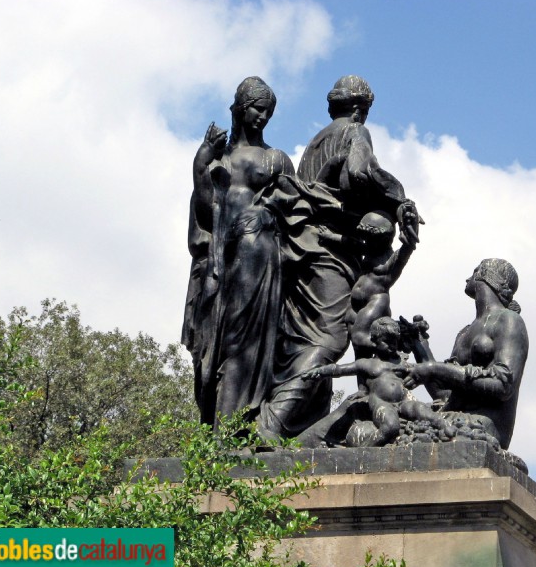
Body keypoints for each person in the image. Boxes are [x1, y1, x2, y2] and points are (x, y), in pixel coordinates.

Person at [259, 75, 422, 438]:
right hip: (329, 250)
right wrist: (397, 199)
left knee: (302, 339)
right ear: (359, 109)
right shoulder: (355, 133)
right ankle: (271, 423)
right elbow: (360, 172)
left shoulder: (314, 144)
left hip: (302, 247)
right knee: (328, 340)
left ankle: (299, 430)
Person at [182, 77, 298, 429]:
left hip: (260, 255)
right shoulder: (221, 160)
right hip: (221, 260)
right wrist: (200, 165)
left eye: (268, 112)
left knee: (244, 341)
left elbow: (298, 208)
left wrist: (270, 211)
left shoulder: (275, 159)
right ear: (240, 108)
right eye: (257, 109)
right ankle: (220, 423)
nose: (262, 117)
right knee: (215, 345)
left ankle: (238, 423)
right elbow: (204, 213)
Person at [403, 259, 529, 450]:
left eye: (474, 272)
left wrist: (434, 369)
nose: (467, 279)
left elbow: (504, 385)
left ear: (486, 276)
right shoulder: (464, 333)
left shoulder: (510, 321)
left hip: (485, 425)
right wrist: (419, 344)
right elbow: (444, 394)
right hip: (451, 416)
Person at [298, 317, 454, 448]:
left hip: (404, 400)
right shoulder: (367, 364)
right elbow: (340, 370)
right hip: (381, 403)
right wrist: (319, 371)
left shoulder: (399, 361)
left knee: (422, 410)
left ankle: (445, 427)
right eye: (387, 342)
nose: (392, 346)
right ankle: (365, 451)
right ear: (374, 340)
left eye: (394, 342)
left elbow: (421, 371)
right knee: (391, 427)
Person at [345, 211, 415, 360]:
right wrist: (330, 237)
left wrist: (410, 224)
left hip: (375, 302)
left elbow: (408, 247)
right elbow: (353, 244)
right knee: (359, 355)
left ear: (384, 239)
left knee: (359, 339)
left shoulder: (391, 259)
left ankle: (392, 353)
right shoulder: (371, 250)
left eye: (372, 239)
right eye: (367, 239)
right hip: (355, 305)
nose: (368, 242)